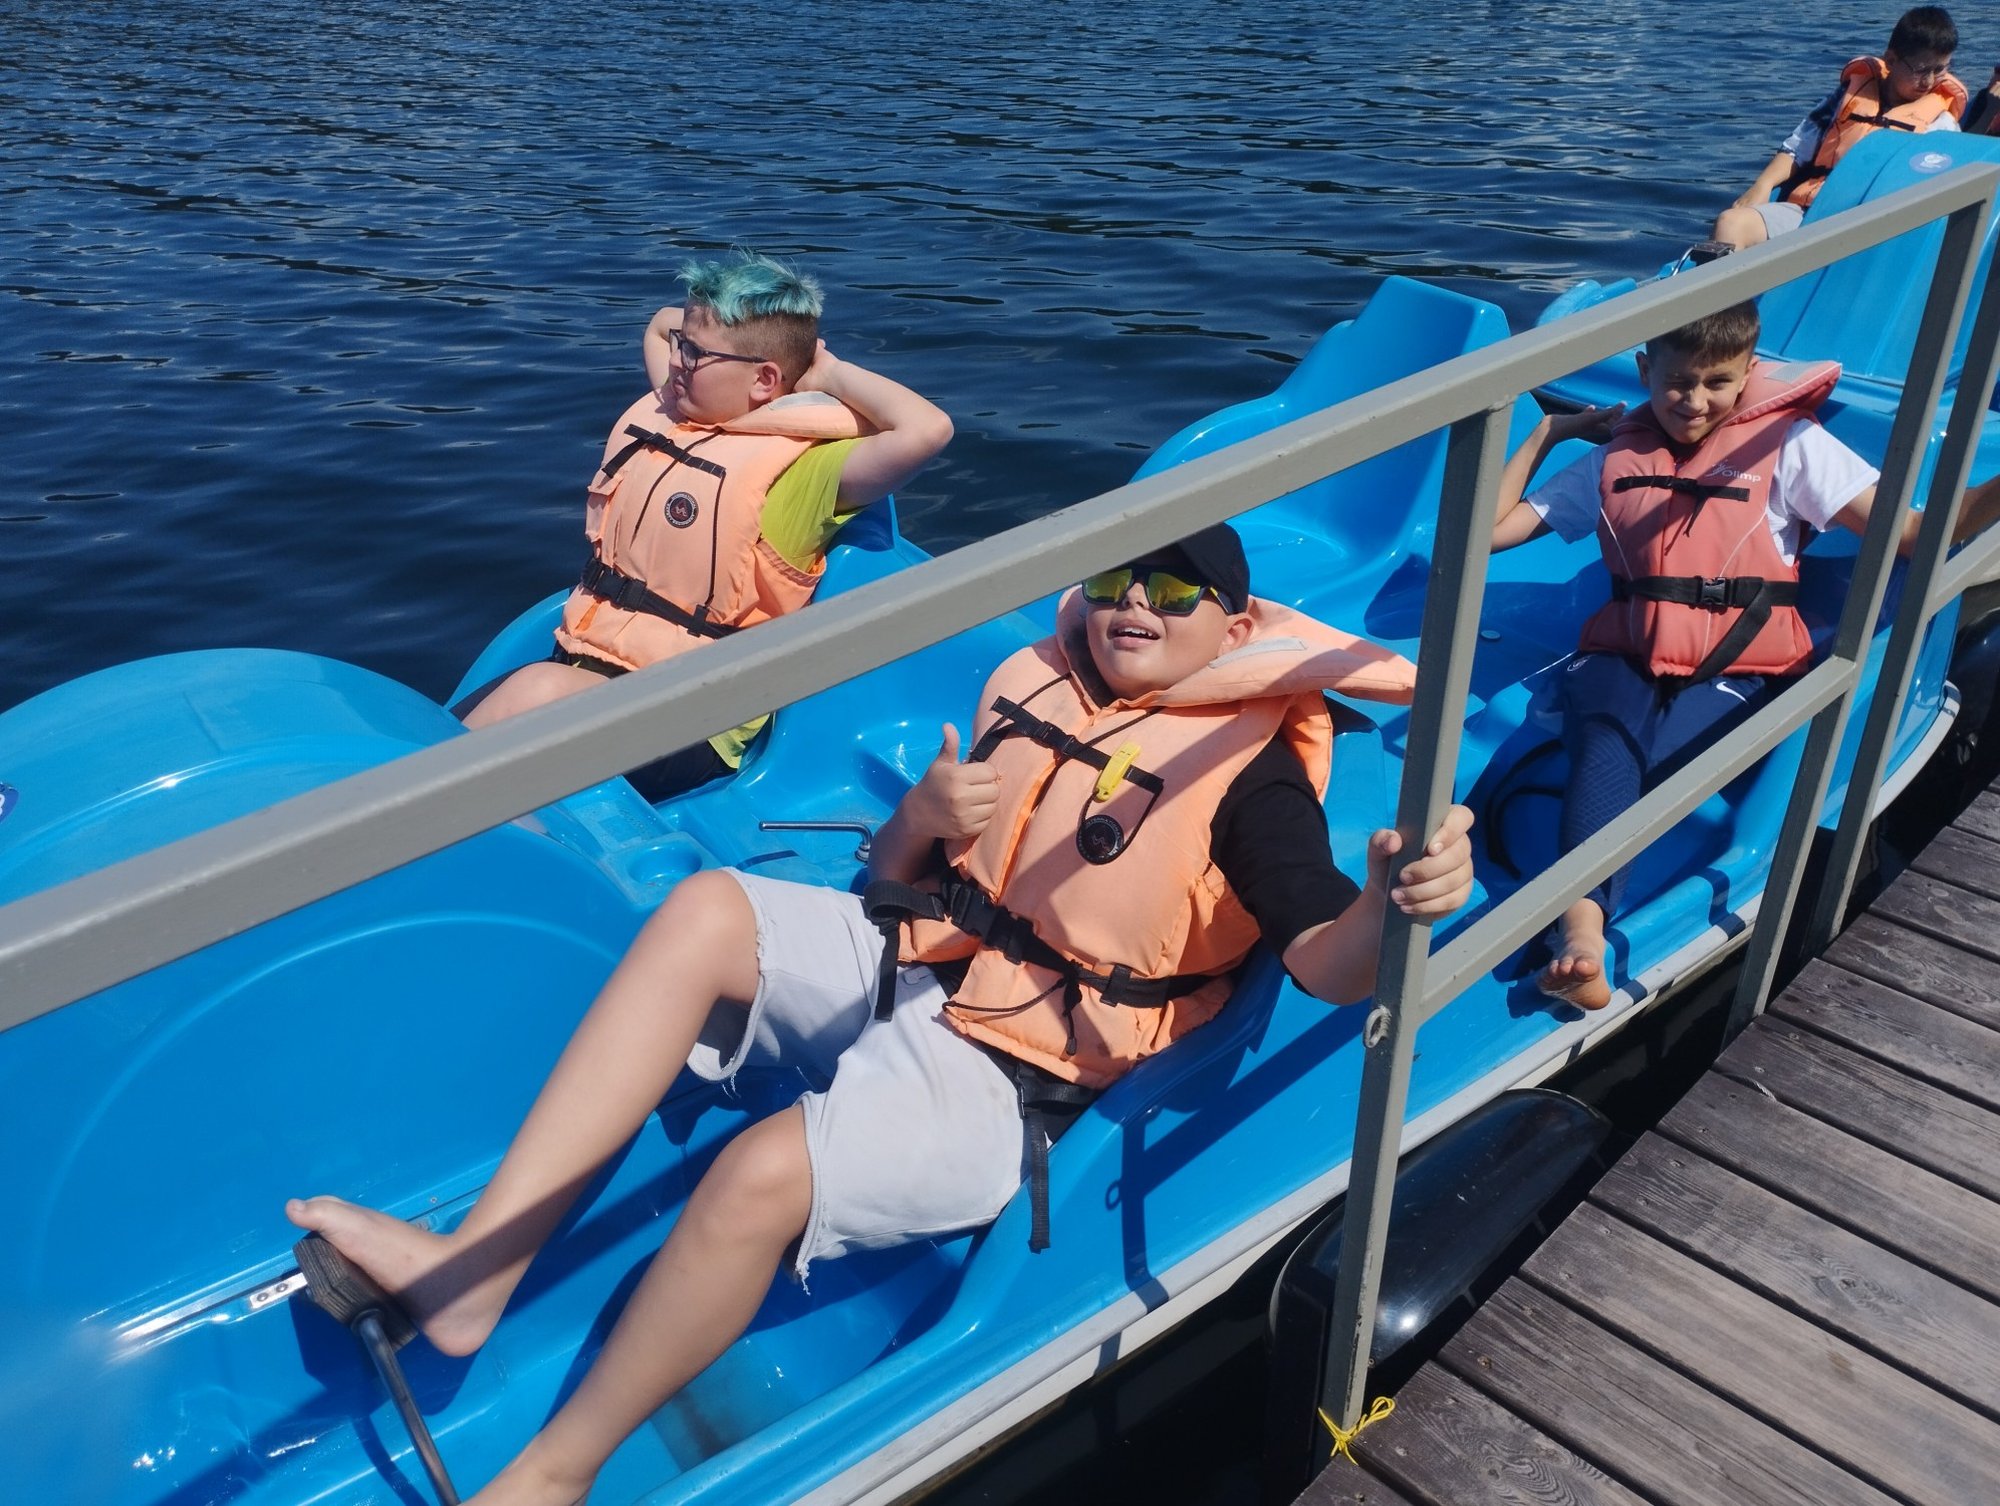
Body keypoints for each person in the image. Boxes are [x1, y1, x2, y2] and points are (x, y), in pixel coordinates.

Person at [288, 523, 1478, 1506]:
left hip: (1028, 1076)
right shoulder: (1042, 683)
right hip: (929, 963)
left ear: (1235, 625)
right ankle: (473, 1275)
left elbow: (1324, 965)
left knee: (757, 1175)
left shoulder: (1250, 775)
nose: (1135, 606)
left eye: (1175, 594)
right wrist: (923, 814)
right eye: (1120, 579)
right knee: (704, 911)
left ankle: (556, 1474)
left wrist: (1388, 906)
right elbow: (898, 879)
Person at [1490, 301, 2000, 1009]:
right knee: (1608, 741)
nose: (1695, 402)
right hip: (1624, 656)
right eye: (1677, 382)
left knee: (1646, 761)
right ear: (1645, 370)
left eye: (1717, 383)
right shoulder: (1614, 457)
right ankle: (1581, 934)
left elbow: (1916, 532)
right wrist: (1549, 432)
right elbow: (1490, 532)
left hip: (1739, 664)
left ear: (1748, 373)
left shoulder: (1790, 446)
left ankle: (1576, 921)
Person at [456, 249, 953, 801]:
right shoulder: (679, 409)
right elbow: (660, 324)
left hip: (691, 721)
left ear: (764, 379)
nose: (675, 361)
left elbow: (927, 429)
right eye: (681, 345)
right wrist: (720, 332)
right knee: (435, 728)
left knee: (533, 691)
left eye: (693, 353)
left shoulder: (804, 474)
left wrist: (825, 369)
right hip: (585, 666)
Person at [1711, 7, 1966, 251]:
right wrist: (1763, 185)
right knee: (1730, 223)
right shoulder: (1847, 96)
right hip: (1813, 212)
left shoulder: (1941, 123)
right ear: (1891, 60)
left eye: (1940, 70)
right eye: (1921, 70)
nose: (1929, 81)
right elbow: (1797, 147)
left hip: (1874, 230)